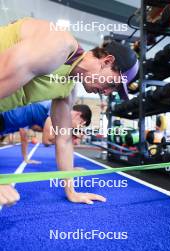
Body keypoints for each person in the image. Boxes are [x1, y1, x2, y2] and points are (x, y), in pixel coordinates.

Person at [0, 17, 138, 206]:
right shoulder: (57, 46)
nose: (106, 92)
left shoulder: (67, 89)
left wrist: (72, 191)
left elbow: (63, 139)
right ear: (107, 61)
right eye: (112, 84)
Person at [0, 102, 91, 163]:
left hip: (6, 125)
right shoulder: (59, 107)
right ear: (78, 114)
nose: (78, 127)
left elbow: (51, 141)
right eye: (81, 123)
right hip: (4, 116)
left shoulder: (60, 120)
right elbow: (47, 140)